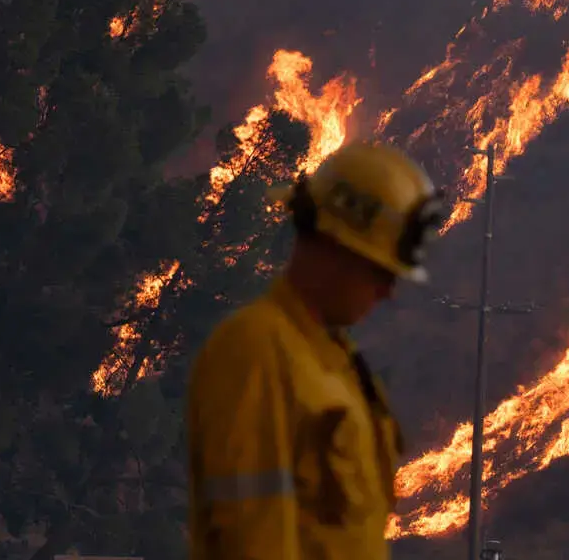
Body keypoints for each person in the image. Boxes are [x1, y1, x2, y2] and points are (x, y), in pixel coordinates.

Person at [186, 141, 446, 560]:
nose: (388, 292)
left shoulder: (335, 364)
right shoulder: (257, 350)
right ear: (332, 248)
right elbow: (253, 537)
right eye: (379, 272)